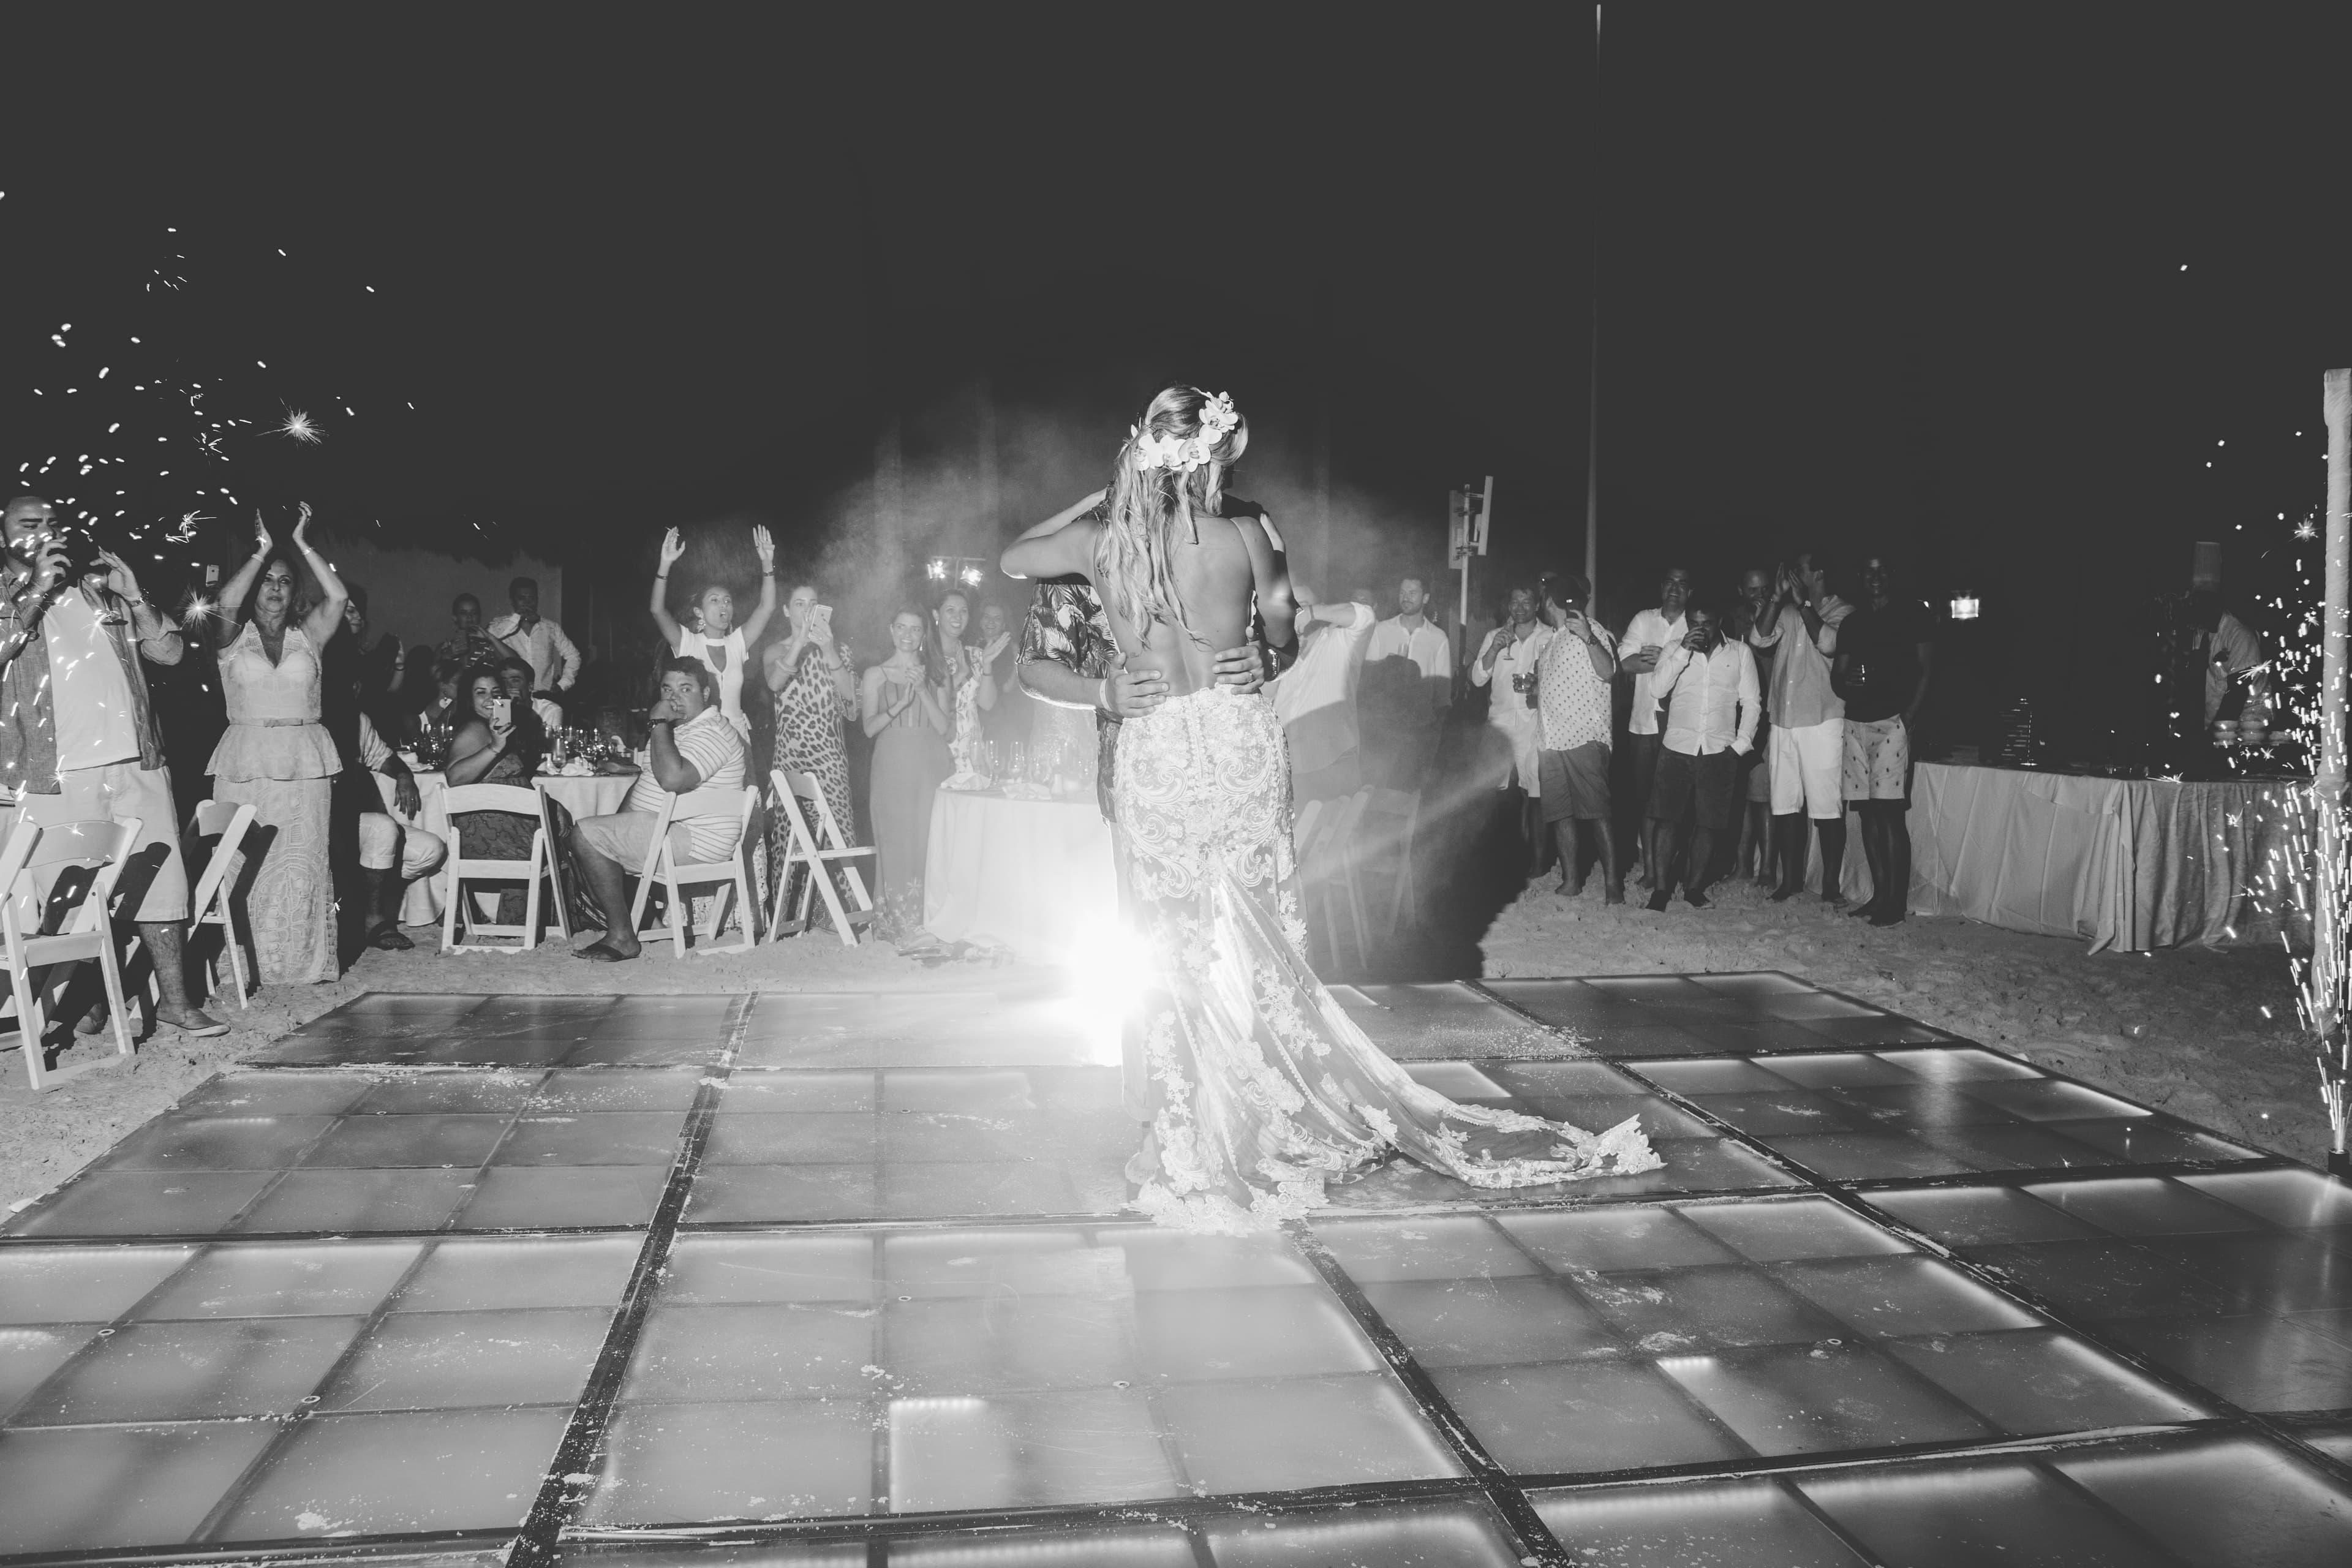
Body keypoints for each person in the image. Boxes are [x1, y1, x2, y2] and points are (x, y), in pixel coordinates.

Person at [1001, 384, 1657, 1233]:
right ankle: (1274, 1103)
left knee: (1170, 943)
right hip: (1238, 743)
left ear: (1145, 452)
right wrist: (1253, 656)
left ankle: (1190, 1127)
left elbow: (1018, 556)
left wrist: (1107, 493)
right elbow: (1278, 636)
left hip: (1157, 743)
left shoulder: (1106, 543)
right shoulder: (1249, 531)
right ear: (1219, 455)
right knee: (1263, 941)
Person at [0, 495, 227, 1036]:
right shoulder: (9, 598)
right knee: (63, 896)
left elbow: (171, 653)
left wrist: (136, 595)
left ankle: (176, 1001)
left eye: (52, 524)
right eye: (29, 525)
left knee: (163, 885)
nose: (45, 533)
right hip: (54, 772)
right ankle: (75, 1000)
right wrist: (35, 589)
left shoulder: (96, 588)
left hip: (137, 761)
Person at [208, 509, 350, 985]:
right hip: (244, 760)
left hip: (305, 758)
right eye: (267, 581)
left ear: (295, 592)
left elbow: (339, 595)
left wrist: (300, 542)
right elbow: (224, 601)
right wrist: (262, 552)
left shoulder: (309, 636)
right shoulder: (231, 637)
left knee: (303, 861)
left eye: (285, 582)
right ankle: (243, 965)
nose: (274, 588)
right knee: (243, 862)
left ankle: (299, 966)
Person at [568, 659, 747, 962]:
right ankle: (648, 924)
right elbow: (647, 784)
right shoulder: (682, 729)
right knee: (589, 836)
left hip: (699, 840)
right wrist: (618, 822)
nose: (674, 698)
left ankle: (623, 937)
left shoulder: (713, 731)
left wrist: (658, 723)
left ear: (705, 693)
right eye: (667, 689)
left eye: (685, 689)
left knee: (585, 837)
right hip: (673, 831)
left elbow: (672, 779)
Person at [1748, 550, 1855, 904]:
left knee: (1826, 807)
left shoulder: (1844, 612)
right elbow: (1758, 639)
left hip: (1823, 719)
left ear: (1819, 574)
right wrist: (1777, 600)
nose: (1793, 575)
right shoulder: (1789, 610)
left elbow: (1830, 644)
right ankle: (1791, 880)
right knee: (1785, 806)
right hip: (1783, 719)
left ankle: (1831, 886)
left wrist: (1804, 605)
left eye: (1800, 570)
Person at [1834, 556, 1934, 925]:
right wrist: (1847, 684)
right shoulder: (1853, 622)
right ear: (1859, 576)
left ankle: (1895, 903)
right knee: (1869, 815)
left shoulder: (1913, 614)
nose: (1874, 576)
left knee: (1890, 814)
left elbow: (1927, 668)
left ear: (1891, 574)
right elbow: (1838, 676)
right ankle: (1879, 897)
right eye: (1867, 569)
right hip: (1856, 724)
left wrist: (1909, 717)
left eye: (1881, 569)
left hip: (1892, 723)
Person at [1642, 603, 1760, 911]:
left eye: (1706, 623)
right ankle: (1661, 891)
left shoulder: (1739, 653)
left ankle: (1694, 889)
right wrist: (1682, 651)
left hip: (1719, 750)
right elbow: (1656, 689)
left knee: (1709, 824)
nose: (1700, 629)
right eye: (1694, 622)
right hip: (1677, 747)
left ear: (1718, 621)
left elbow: (1752, 703)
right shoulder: (1674, 648)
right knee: (1667, 820)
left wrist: (1740, 746)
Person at [764, 582, 859, 927]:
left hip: (830, 756)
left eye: (813, 603)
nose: (806, 610)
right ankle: (787, 915)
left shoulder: (839, 650)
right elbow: (775, 682)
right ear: (787, 611)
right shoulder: (776, 649)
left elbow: (851, 707)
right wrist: (801, 643)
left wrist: (829, 649)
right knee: (790, 839)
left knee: (836, 834)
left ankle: (836, 915)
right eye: (799, 603)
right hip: (790, 759)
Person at [863, 607, 952, 940]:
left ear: (923, 634)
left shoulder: (937, 672)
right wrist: (899, 705)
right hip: (890, 767)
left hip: (930, 767)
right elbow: (869, 728)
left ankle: (930, 920)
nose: (907, 635)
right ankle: (895, 923)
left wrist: (924, 691)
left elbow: (945, 728)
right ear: (891, 630)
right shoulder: (875, 674)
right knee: (895, 840)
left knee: (929, 840)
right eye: (901, 627)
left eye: (915, 629)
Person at [1533, 571, 1621, 901]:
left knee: (1598, 812)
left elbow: (1608, 671)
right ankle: (1572, 881)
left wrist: (1589, 637)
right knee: (1560, 815)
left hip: (1584, 737)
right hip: (1551, 741)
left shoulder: (1590, 629)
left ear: (1548, 602)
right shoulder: (1552, 640)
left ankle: (1613, 884)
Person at [442, 664, 550, 927]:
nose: (490, 699)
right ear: (470, 699)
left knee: (561, 822)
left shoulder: (497, 728)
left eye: (496, 692)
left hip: (506, 830)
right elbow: (454, 779)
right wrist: (494, 748)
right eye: (481, 693)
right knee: (570, 837)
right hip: (490, 837)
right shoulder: (475, 730)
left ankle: (517, 920)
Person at [650, 524, 778, 742]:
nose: (724, 605)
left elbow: (767, 607)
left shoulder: (737, 642)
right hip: (699, 736)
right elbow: (657, 610)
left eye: (728, 601)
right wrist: (665, 564)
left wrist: (767, 563)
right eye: (715, 600)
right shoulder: (688, 642)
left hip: (737, 736)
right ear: (699, 612)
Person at [1469, 584, 1555, 871]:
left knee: (1536, 790)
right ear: (1509, 606)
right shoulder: (1495, 636)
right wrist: (1494, 649)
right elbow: (1478, 679)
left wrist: (1538, 685)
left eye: (1526, 601)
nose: (1520, 607)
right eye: (1515, 601)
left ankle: (1538, 861)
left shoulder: (1551, 636)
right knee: (1492, 791)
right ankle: (1492, 853)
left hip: (1535, 723)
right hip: (1500, 724)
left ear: (1537, 605)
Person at [1618, 566, 1692, 890]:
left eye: (1682, 584)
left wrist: (1660, 657)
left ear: (1690, 592)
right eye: (1670, 583)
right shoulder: (1643, 620)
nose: (1674, 589)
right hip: (1644, 723)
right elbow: (1623, 663)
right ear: (1662, 587)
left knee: (1682, 801)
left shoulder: (1697, 623)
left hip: (1684, 726)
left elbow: (1699, 670)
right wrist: (1671, 659)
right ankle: (1650, 868)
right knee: (1646, 800)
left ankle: (1682, 869)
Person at [1269, 586, 1377, 804]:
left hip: (1332, 763)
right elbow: (1265, 701)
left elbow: (1365, 616)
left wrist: (1312, 612)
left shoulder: (1342, 640)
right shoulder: (1282, 655)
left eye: (1302, 605)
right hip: (1290, 768)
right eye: (1290, 606)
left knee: (1336, 836)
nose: (1295, 611)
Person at [352, 711, 445, 951]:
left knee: (430, 849)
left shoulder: (355, 719)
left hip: (351, 820)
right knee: (383, 827)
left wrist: (404, 775)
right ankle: (374, 919)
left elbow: (382, 757)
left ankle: (366, 901)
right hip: (318, 821)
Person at [1366, 574, 1452, 784]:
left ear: (1425, 598)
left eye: (1413, 593)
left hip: (1421, 727)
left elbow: (1443, 689)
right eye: (1403, 592)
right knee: (1381, 784)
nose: (1406, 598)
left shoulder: (1438, 637)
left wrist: (1437, 728)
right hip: (1386, 725)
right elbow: (1369, 679)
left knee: (1413, 787)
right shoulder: (1382, 630)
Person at [1729, 567, 1779, 888]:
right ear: (1740, 591)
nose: (1758, 595)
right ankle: (1743, 866)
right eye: (1752, 590)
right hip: (1736, 718)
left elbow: (1763, 647)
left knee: (1763, 797)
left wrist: (1766, 617)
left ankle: (1766, 872)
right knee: (1744, 797)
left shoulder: (1780, 618)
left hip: (1769, 717)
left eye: (1763, 589)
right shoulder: (1732, 620)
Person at [931, 587, 1006, 783]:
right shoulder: (927, 658)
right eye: (951, 610)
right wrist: (959, 676)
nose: (958, 616)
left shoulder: (974, 654)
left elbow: (987, 704)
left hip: (971, 748)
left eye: (963, 611)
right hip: (938, 745)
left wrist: (986, 664)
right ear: (936, 614)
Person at [486, 575, 581, 728]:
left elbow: (573, 655)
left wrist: (563, 684)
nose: (527, 603)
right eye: (522, 598)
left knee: (544, 738)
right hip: (510, 696)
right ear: (512, 601)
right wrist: (517, 618)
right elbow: (491, 636)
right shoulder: (500, 624)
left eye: (532, 599)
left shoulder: (551, 627)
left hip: (543, 696)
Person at [975, 600, 1028, 753]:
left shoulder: (1009, 650)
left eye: (997, 618)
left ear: (1004, 624)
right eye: (987, 617)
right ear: (980, 620)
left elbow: (1007, 687)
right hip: (974, 721)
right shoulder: (971, 647)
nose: (991, 622)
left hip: (1001, 723)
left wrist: (1015, 657)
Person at [497, 655, 564, 736]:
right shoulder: (497, 708)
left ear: (530, 686)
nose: (507, 686)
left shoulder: (550, 710)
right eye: (503, 681)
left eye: (515, 680)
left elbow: (548, 745)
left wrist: (521, 710)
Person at [437, 593, 499, 668]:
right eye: (463, 613)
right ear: (455, 618)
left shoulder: (490, 646)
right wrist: (447, 656)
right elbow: (434, 674)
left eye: (474, 613)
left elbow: (514, 664)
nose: (469, 617)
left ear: (479, 616)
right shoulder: (445, 648)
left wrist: (491, 638)